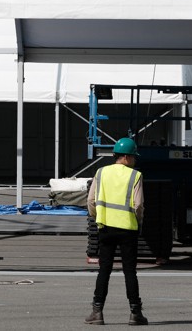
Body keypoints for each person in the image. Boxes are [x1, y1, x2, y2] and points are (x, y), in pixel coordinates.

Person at [84, 137, 148, 326]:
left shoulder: (101, 172)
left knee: (104, 270)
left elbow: (90, 201)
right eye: (134, 157)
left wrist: (99, 217)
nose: (135, 160)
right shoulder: (135, 175)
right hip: (128, 229)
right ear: (127, 157)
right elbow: (139, 205)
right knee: (130, 271)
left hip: (106, 228)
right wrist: (138, 222)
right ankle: (135, 313)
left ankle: (97, 312)